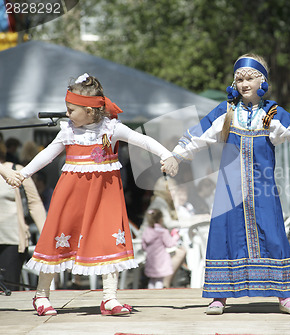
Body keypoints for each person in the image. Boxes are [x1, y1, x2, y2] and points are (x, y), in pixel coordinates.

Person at [172, 54, 290, 315]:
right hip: (229, 190)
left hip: (262, 190)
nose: (244, 83)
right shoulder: (225, 111)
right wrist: (175, 156)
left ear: (262, 79)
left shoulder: (273, 113)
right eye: (239, 78)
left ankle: (284, 295)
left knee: (272, 235)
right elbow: (197, 135)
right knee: (225, 236)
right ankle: (219, 295)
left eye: (250, 77)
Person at [7, 73, 178, 316]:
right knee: (58, 236)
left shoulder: (112, 128)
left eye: (71, 109)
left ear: (89, 111)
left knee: (109, 238)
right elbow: (47, 155)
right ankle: (41, 295)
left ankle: (109, 298)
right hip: (71, 194)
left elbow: (143, 140)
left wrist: (166, 154)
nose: (67, 114)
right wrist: (23, 174)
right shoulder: (67, 131)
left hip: (104, 197)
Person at [0, 139, 46, 292]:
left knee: (10, 291)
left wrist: (46, 236)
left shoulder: (17, 169)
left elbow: (35, 203)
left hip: (11, 240)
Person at [141, 208, 181, 289]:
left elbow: (143, 246)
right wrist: (176, 237)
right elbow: (170, 244)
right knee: (159, 280)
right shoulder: (162, 231)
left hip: (150, 259)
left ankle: (150, 295)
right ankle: (157, 297)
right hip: (161, 259)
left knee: (152, 280)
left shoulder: (146, 231)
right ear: (161, 219)